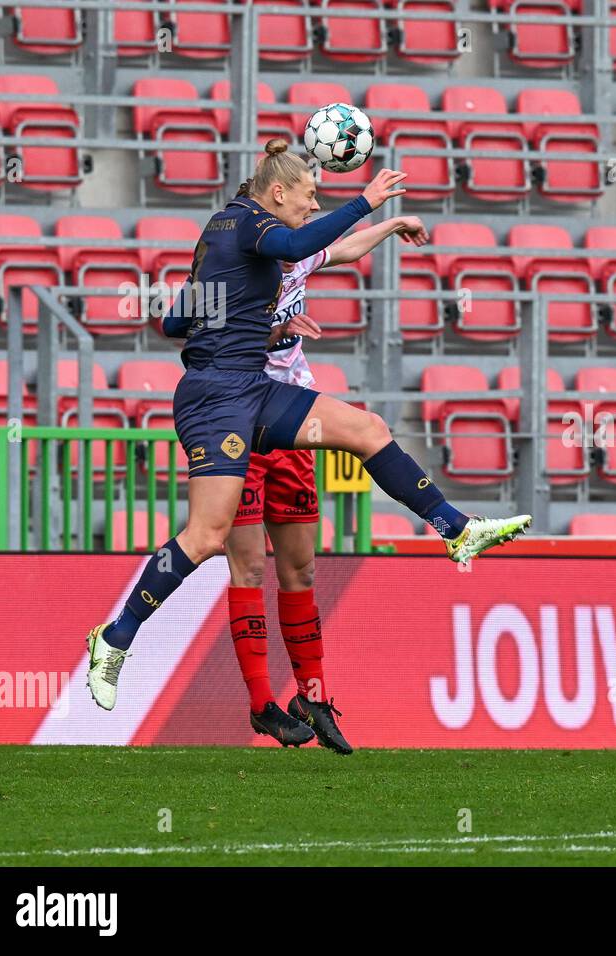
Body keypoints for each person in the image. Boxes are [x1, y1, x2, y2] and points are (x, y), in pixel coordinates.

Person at [85, 141, 531, 711]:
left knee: (366, 429)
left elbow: (175, 321)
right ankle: (115, 638)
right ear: (277, 192)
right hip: (216, 399)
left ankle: (456, 528)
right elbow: (296, 244)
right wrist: (365, 201)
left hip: (252, 388)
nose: (315, 206)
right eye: (309, 196)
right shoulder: (248, 223)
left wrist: (237, 320)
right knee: (207, 536)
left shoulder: (228, 231)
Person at [229, 191, 431, 752]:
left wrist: (392, 225)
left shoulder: (299, 255)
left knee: (301, 572)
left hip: (292, 426)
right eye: (304, 206)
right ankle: (261, 705)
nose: (310, 217)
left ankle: (312, 697)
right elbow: (197, 338)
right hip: (238, 427)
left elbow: (341, 250)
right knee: (247, 571)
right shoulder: (233, 271)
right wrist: (278, 331)